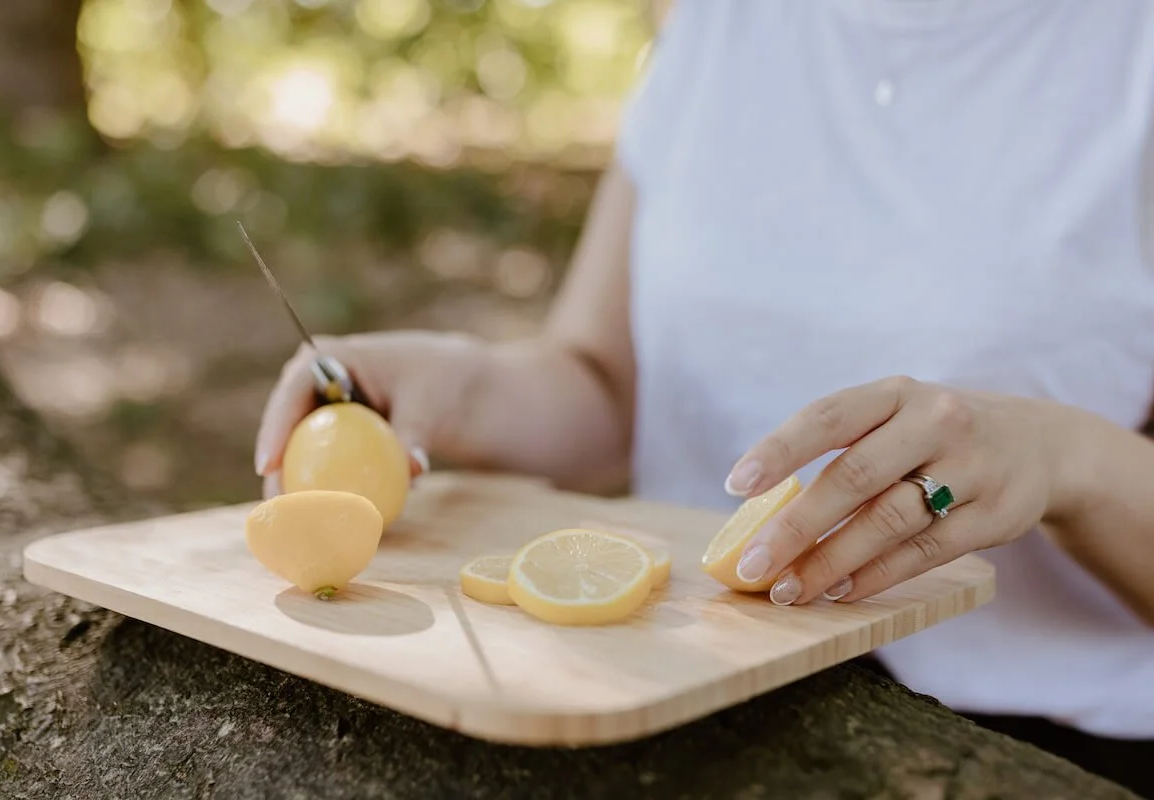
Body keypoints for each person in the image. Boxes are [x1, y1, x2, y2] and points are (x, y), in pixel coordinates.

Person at [254, 1, 1154, 794]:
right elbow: (608, 387)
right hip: (686, 690)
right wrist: (464, 383)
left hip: (1048, 743)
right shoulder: (712, 20)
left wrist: (1068, 461)